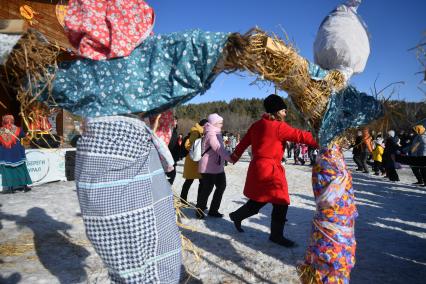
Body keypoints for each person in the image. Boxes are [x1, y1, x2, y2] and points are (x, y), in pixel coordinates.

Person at [229, 94, 318, 247]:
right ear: (276, 111)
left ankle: (237, 215)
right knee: (281, 202)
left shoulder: (256, 125)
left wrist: (234, 157)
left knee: (259, 199)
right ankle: (276, 236)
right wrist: (323, 139)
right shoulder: (278, 127)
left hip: (257, 168)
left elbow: (243, 144)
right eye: (284, 110)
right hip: (270, 170)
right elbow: (300, 136)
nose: (286, 113)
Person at [196, 114, 232, 218]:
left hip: (217, 166)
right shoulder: (211, 133)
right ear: (214, 123)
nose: (222, 124)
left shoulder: (217, 132)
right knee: (207, 188)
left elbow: (220, 148)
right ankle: (199, 211)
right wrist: (229, 158)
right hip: (208, 166)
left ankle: (213, 210)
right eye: (220, 122)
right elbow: (218, 148)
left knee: (221, 186)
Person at [0, 115, 32, 194]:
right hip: (17, 152)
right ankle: (24, 186)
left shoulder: (1, 130)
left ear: (3, 121)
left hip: (5, 153)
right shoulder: (18, 129)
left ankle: (10, 188)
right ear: (13, 121)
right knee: (21, 168)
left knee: (7, 171)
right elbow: (24, 136)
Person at [180, 119, 208, 204]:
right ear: (204, 126)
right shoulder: (196, 132)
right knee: (193, 181)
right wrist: (196, 151)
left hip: (196, 161)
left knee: (199, 182)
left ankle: (199, 202)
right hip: (193, 161)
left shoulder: (200, 132)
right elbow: (187, 145)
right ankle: (185, 200)